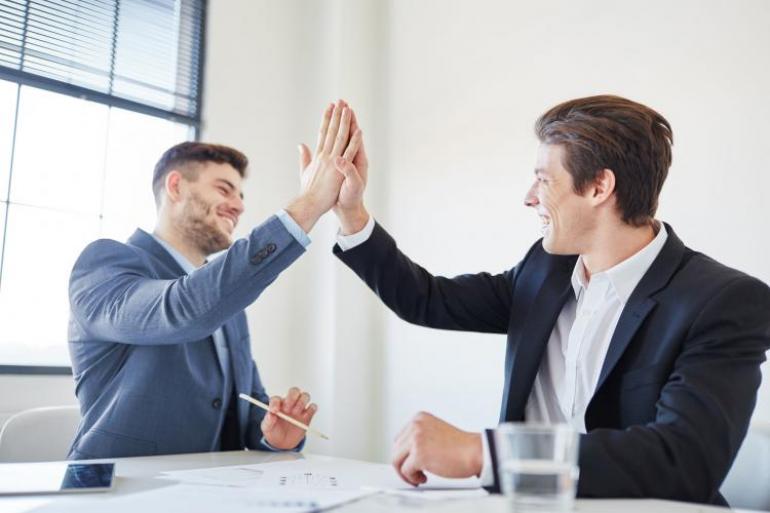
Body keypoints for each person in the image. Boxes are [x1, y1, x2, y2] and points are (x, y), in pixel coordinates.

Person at [329, 95, 770, 505]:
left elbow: (683, 462)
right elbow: (427, 300)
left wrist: (485, 453)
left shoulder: (723, 302)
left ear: (599, 187)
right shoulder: (546, 269)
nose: (529, 197)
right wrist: (351, 212)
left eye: (543, 179)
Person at [68, 100, 362, 459]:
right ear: (175, 186)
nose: (238, 205)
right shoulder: (105, 264)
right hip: (118, 493)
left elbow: (246, 412)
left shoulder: (230, 302)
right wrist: (309, 204)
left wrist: (274, 434)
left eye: (240, 195)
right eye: (224, 189)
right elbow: (182, 309)